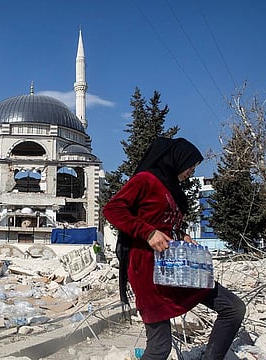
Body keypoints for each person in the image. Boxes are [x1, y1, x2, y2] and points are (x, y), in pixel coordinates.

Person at [102, 137, 245, 360]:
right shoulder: (145, 180)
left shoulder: (171, 188)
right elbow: (113, 209)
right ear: (176, 159)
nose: (190, 171)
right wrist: (148, 233)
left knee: (233, 308)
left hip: (177, 268)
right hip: (148, 273)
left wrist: (182, 235)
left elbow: (165, 223)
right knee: (159, 347)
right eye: (190, 165)